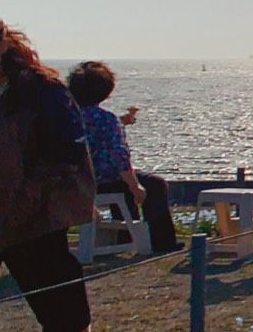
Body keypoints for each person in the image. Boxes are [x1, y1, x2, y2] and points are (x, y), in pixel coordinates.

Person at [0, 16, 99, 332]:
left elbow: (66, 150)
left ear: (0, 47)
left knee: (45, 271)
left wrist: (33, 192)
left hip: (30, 199)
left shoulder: (41, 90)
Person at [67, 61, 180, 254]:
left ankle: (125, 236)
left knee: (123, 187)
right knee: (154, 185)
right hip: (104, 181)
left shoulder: (68, 116)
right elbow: (120, 158)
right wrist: (135, 186)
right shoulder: (106, 119)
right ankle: (162, 243)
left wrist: (120, 123)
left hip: (75, 182)